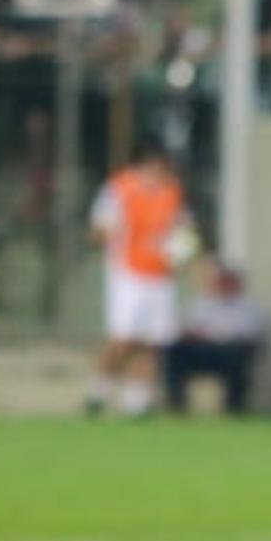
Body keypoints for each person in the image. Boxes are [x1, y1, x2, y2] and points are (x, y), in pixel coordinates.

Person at [87, 145, 196, 418]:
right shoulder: (120, 189)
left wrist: (181, 250)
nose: (158, 173)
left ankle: (137, 401)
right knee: (123, 338)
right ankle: (98, 391)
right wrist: (106, 235)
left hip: (160, 276)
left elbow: (184, 231)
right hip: (128, 274)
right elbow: (99, 228)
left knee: (151, 342)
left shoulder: (173, 193)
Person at [164, 261, 267, 414]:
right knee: (174, 351)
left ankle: (235, 408)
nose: (223, 286)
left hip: (230, 352)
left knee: (236, 359)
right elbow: (189, 328)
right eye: (220, 282)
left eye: (227, 282)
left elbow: (251, 335)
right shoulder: (202, 304)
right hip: (202, 350)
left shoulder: (248, 308)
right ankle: (176, 405)